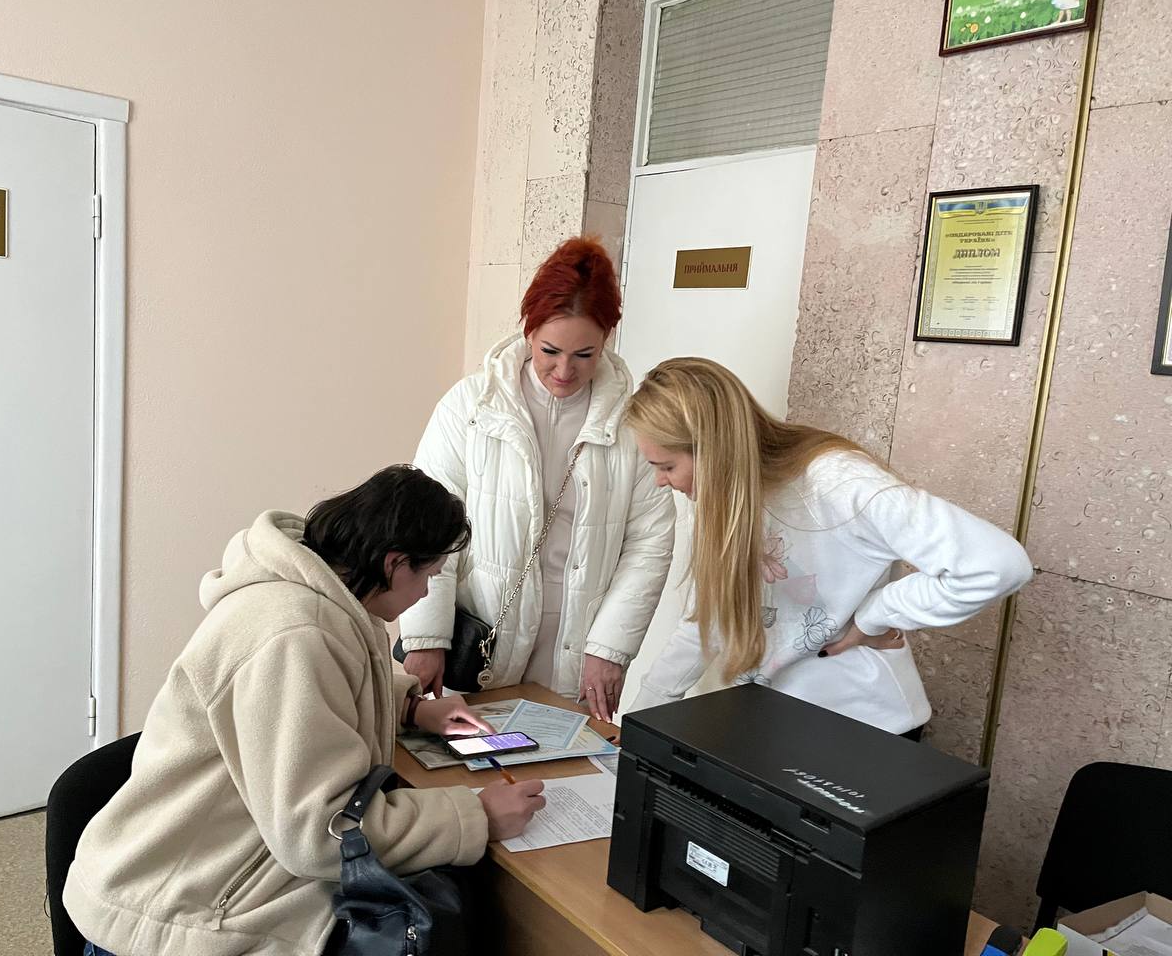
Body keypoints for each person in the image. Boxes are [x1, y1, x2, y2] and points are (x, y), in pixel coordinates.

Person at [66, 466, 546, 956]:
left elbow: (330, 685)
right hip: (180, 917)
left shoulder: (319, 596)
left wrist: (413, 707)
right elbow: (319, 833)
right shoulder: (297, 634)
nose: (425, 592)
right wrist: (475, 815)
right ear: (395, 564)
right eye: (427, 574)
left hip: (215, 876)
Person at [624, 358, 1034, 736]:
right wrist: (639, 724)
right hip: (776, 720)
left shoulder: (838, 482)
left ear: (714, 450)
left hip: (864, 727)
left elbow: (997, 565)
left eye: (667, 467)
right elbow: (706, 617)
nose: (661, 482)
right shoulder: (726, 499)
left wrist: (875, 614)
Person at [398, 237, 675, 722]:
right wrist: (426, 636)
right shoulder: (471, 407)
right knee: (462, 762)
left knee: (563, 763)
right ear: (528, 330)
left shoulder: (631, 423)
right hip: (479, 640)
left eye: (585, 354)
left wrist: (610, 647)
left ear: (607, 338)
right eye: (550, 350)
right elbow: (425, 528)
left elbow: (650, 541)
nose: (564, 370)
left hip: (574, 646)